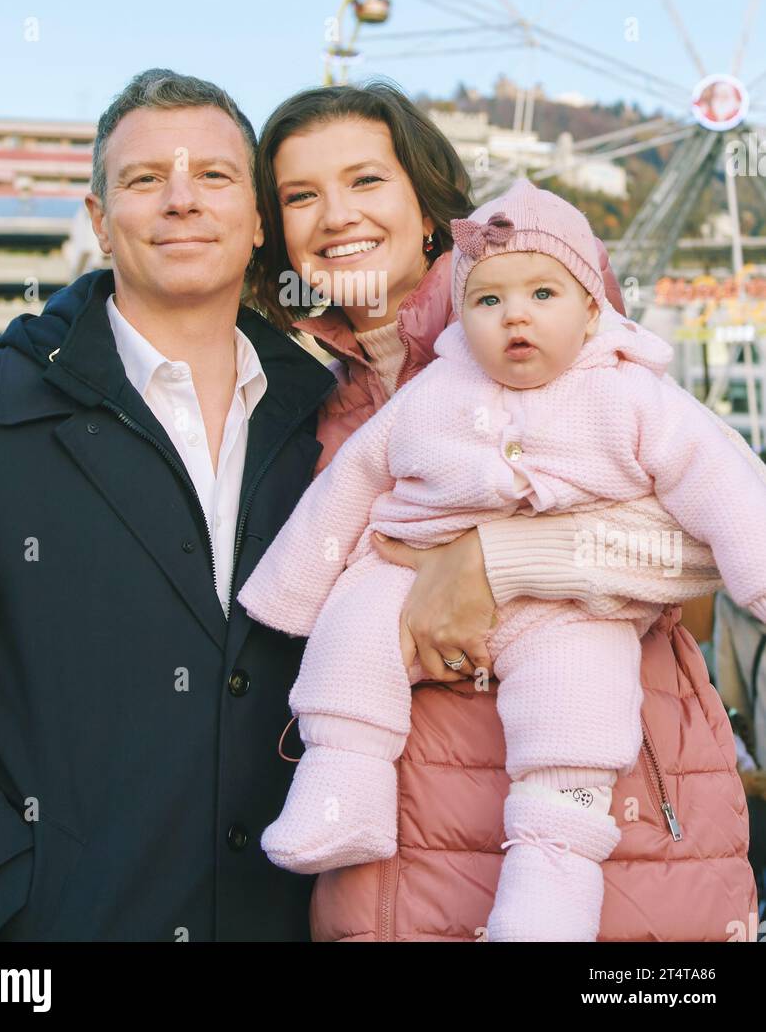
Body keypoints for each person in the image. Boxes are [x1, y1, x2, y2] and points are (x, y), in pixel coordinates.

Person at [248, 81, 760, 942]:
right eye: (302, 195)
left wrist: (493, 560)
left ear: (426, 206)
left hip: (619, 859)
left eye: (366, 181)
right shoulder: (308, 398)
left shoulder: (548, 323)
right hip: (391, 874)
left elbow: (698, 545)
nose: (336, 215)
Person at [0, 69, 340, 942]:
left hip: (295, 920)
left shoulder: (331, 423)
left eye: (215, 177)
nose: (182, 201)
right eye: (146, 180)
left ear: (258, 219)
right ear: (101, 221)